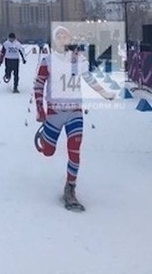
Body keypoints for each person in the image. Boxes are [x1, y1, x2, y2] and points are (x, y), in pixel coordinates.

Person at [33, 25, 115, 211]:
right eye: (60, 38)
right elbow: (38, 85)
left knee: (75, 151)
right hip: (54, 113)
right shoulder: (48, 61)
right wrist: (40, 109)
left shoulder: (78, 60)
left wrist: (104, 93)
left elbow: (89, 79)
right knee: (48, 152)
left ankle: (70, 188)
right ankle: (45, 137)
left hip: (75, 112)